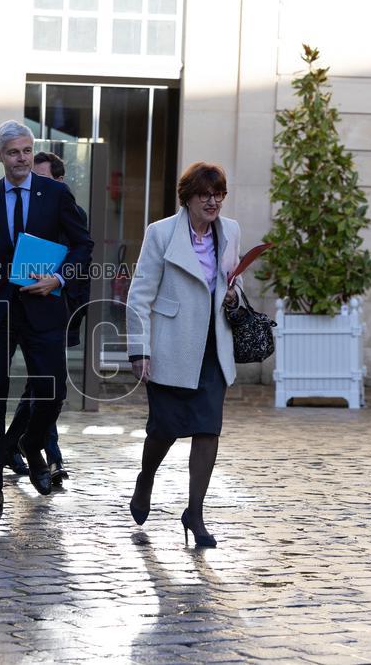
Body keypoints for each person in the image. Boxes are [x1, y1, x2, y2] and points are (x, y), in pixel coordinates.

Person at [0, 121, 93, 517]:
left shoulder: (56, 193)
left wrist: (60, 277)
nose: (21, 159)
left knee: (53, 393)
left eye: (27, 151)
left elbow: (83, 244)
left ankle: (31, 444)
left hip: (44, 308)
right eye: (13, 152)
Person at [125, 161, 242, 547]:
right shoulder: (160, 234)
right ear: (188, 198)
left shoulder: (231, 232)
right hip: (171, 345)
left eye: (219, 194)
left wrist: (232, 294)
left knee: (208, 429)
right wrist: (139, 350)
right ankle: (146, 479)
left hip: (213, 345)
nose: (213, 202)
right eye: (205, 195)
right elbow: (140, 295)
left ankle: (195, 513)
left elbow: (232, 284)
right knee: (164, 429)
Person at [1, 151, 90, 486]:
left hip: (58, 307)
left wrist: (61, 290)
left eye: (43, 179)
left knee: (46, 385)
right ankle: (42, 454)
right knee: (41, 385)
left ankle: (26, 448)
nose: (34, 186)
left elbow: (79, 260)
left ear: (60, 181)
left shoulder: (68, 210)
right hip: (25, 307)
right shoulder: (19, 211)